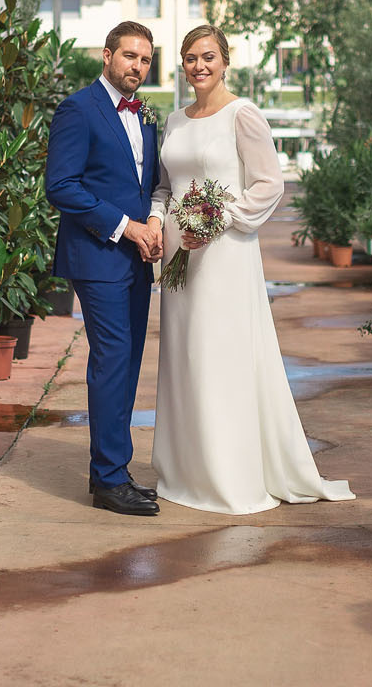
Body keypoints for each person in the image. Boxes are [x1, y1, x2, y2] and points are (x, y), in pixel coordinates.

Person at [148, 25, 354, 514]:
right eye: (191, 58)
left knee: (221, 356)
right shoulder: (175, 121)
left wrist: (220, 219)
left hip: (224, 256)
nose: (200, 66)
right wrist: (159, 224)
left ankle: (229, 473)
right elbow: (164, 188)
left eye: (209, 57)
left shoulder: (243, 114)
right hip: (179, 260)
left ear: (225, 61)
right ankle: (185, 470)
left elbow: (269, 184)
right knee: (185, 359)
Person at [44, 22, 165, 517]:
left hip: (136, 259)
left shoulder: (147, 114)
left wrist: (151, 226)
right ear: (107, 56)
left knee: (128, 363)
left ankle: (115, 471)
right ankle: (109, 480)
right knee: (112, 362)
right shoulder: (78, 108)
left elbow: (147, 182)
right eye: (130, 56)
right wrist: (126, 227)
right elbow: (62, 187)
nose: (137, 66)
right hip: (98, 257)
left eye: (145, 60)